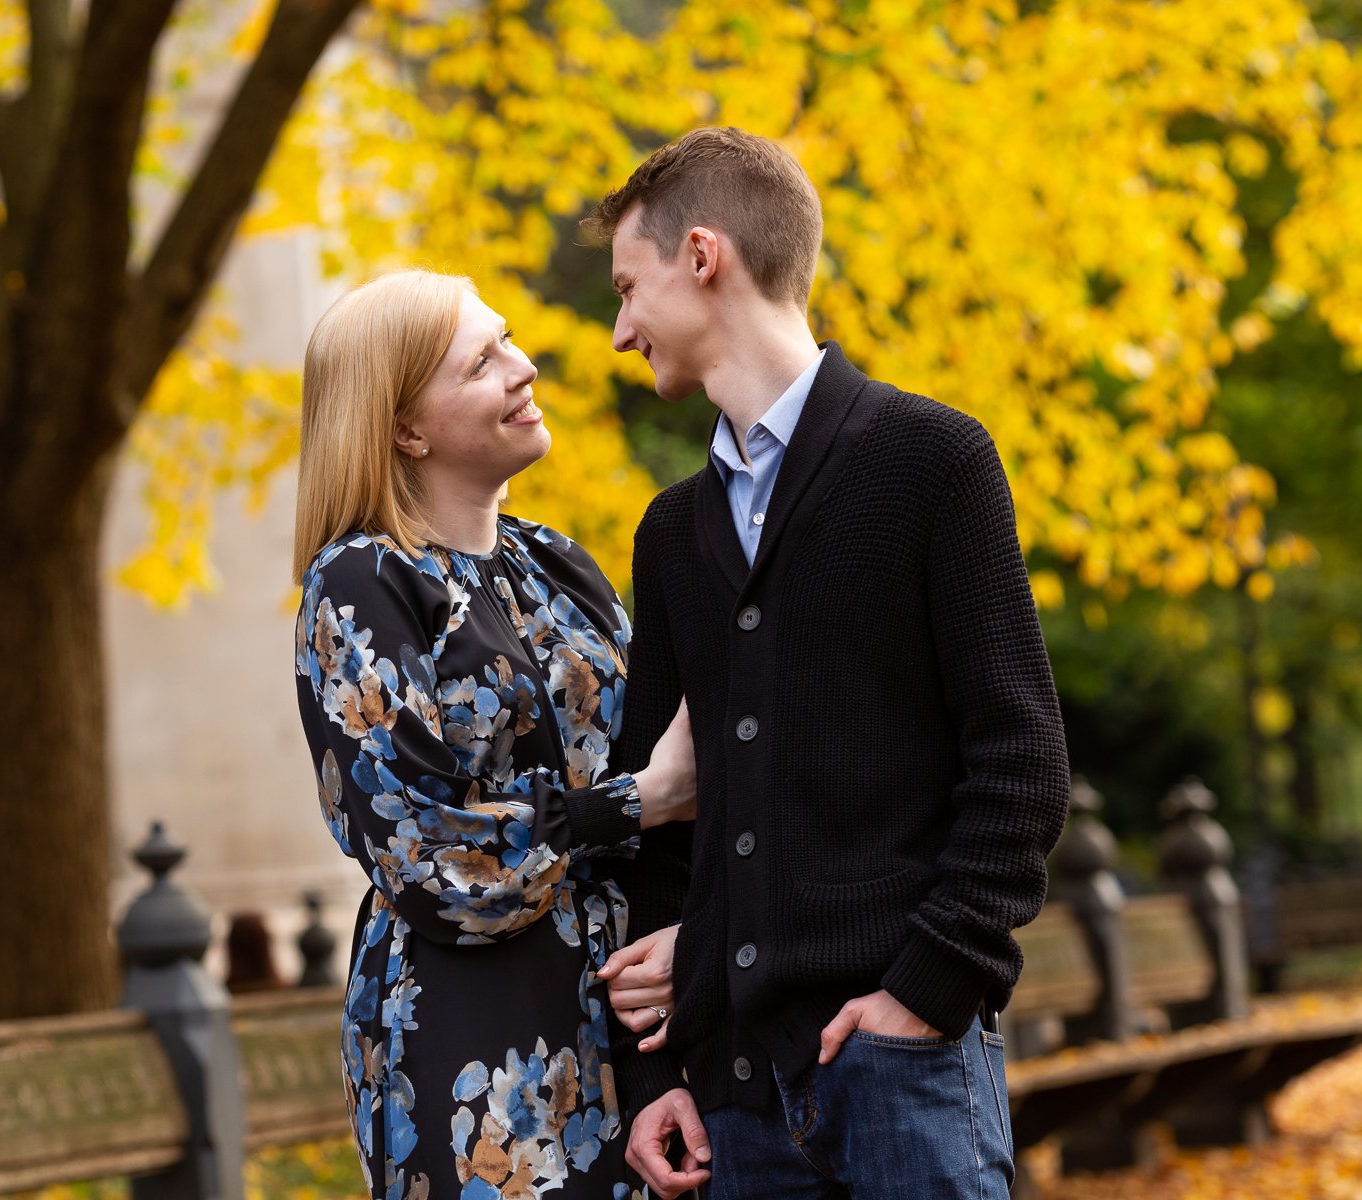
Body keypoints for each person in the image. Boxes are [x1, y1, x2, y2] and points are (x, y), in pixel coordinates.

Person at [587, 127, 1073, 1199]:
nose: (620, 331)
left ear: (703, 256)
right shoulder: (672, 535)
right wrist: (657, 1071)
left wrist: (929, 991)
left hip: (909, 1078)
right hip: (734, 1109)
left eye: (629, 288)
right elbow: (669, 836)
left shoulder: (933, 462)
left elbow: (1021, 761)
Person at [292, 269, 698, 1199]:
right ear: (406, 428)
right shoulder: (364, 584)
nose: (525, 367)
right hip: (474, 1028)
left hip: (629, 1013)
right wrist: (637, 803)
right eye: (482, 361)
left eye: (509, 339)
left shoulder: (557, 563)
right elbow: (429, 858)